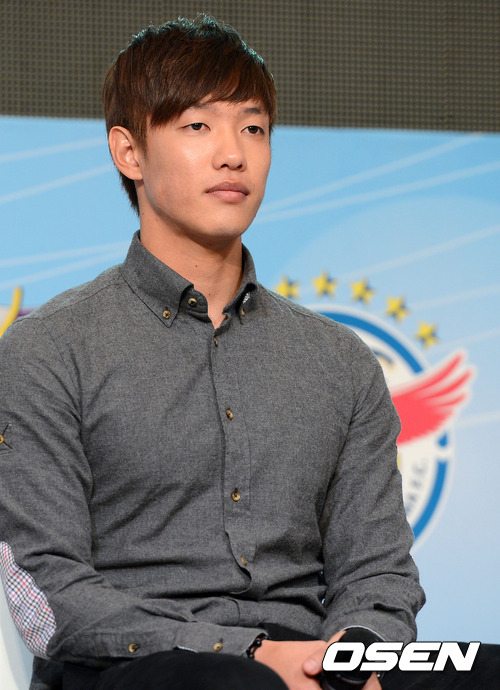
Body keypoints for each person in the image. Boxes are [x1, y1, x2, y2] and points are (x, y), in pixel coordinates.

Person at [3, 13, 494, 690]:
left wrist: (356, 653)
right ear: (129, 152)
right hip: (141, 665)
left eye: (253, 128)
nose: (233, 154)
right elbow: (48, 591)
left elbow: (377, 571)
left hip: (312, 660)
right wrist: (250, 652)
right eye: (197, 126)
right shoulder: (49, 349)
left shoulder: (339, 360)